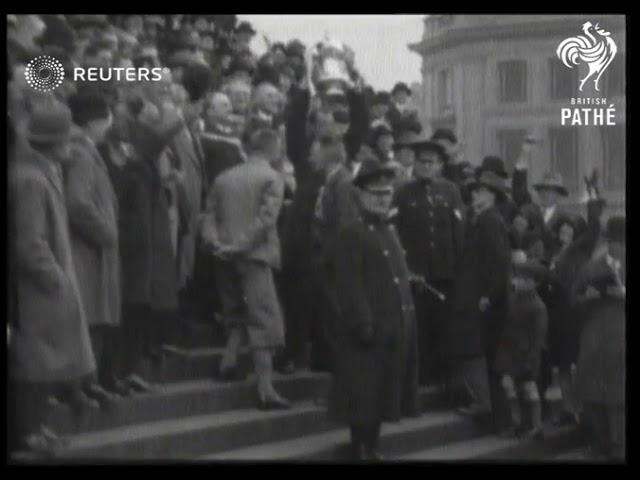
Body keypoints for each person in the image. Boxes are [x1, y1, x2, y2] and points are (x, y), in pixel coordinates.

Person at [8, 103, 96, 454]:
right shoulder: (31, 179)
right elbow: (30, 243)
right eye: (67, 141)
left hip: (47, 290)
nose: (72, 147)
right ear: (55, 144)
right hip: (38, 293)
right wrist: (55, 279)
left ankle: (38, 429)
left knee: (45, 367)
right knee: (35, 367)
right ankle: (29, 433)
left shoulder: (41, 173)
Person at [331, 157, 419, 461]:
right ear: (362, 196)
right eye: (375, 194)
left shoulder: (389, 231)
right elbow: (350, 284)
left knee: (384, 391)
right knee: (364, 392)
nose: (383, 199)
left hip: (393, 326)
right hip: (368, 330)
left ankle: (373, 444)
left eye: (386, 194)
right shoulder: (352, 232)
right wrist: (362, 322)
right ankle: (361, 446)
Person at [200, 128, 290, 409]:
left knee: (234, 312)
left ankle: (228, 363)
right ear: (273, 149)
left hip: (223, 256)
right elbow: (265, 221)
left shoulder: (224, 177)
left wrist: (215, 242)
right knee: (264, 320)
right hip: (254, 257)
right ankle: (265, 389)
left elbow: (209, 215)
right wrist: (240, 246)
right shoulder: (273, 177)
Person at [65, 92, 123, 407]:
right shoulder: (82, 154)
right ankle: (79, 386)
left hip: (92, 252)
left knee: (93, 319)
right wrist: (107, 233)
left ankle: (88, 383)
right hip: (87, 252)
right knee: (88, 319)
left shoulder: (85, 152)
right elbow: (77, 202)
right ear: (95, 122)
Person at [393, 139, 464, 388]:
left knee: (444, 325)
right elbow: (395, 233)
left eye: (430, 162)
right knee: (419, 325)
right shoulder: (403, 192)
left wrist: (459, 268)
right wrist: (405, 268)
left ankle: (444, 377)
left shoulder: (451, 191)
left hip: (445, 272)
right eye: (421, 161)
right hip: (416, 273)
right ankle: (420, 377)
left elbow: (459, 231)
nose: (425, 166)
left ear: (439, 165)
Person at [450, 170, 511, 423]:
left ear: (494, 197)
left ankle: (483, 403)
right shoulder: (478, 219)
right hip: (471, 297)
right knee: (471, 349)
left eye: (482, 192)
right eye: (474, 191)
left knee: (474, 349)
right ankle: (484, 403)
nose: (476, 195)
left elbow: (500, 262)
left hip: (480, 300)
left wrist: (489, 294)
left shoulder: (490, 220)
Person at [573, 216, 626, 461]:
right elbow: (574, 299)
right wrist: (591, 296)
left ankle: (610, 446)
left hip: (609, 336)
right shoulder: (592, 266)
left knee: (610, 395)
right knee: (601, 395)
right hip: (599, 337)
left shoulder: (599, 265)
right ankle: (607, 445)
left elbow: (573, 301)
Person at [494, 255, 548, 439]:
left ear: (535, 283)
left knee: (529, 390)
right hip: (509, 351)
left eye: (525, 280)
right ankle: (517, 423)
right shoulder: (515, 299)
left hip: (525, 355)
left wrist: (532, 362)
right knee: (508, 386)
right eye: (519, 278)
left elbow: (538, 338)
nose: (519, 282)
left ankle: (536, 425)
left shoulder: (538, 307)